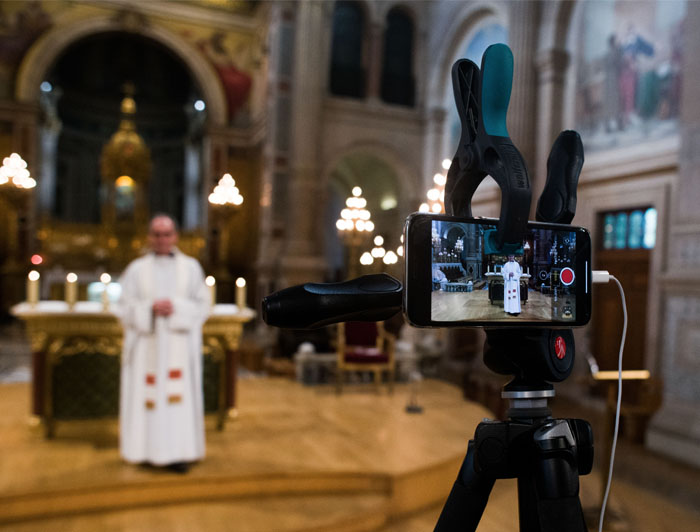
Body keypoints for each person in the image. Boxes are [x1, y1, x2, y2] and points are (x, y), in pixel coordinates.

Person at [118, 214, 210, 473]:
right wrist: (148, 309)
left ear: (175, 236)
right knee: (149, 397)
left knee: (176, 399)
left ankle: (178, 453)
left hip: (178, 348)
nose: (162, 239)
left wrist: (177, 308)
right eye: (157, 234)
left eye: (167, 234)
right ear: (149, 237)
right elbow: (123, 307)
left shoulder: (191, 268)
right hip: (148, 346)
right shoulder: (137, 269)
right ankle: (144, 450)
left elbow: (203, 305)